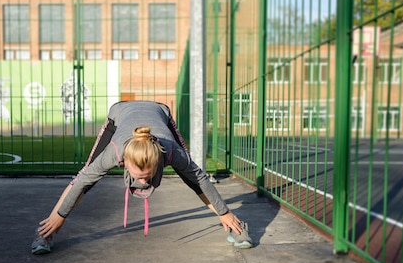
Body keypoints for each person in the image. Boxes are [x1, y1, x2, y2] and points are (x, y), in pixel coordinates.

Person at [32, 101, 252, 254]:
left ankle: (236, 225)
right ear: (124, 163)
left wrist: (224, 212)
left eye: (148, 177)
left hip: (159, 112)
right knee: (86, 176)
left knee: (191, 175)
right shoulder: (114, 152)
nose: (144, 183)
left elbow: (200, 180)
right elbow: (81, 183)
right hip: (120, 113)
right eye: (140, 177)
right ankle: (47, 231)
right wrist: (59, 217)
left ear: (158, 163)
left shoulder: (170, 151)